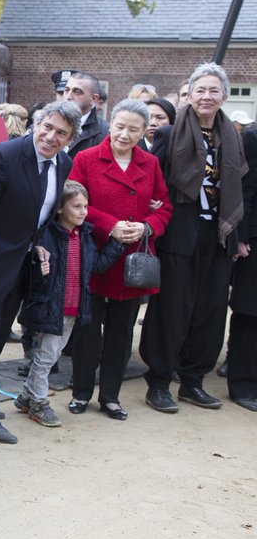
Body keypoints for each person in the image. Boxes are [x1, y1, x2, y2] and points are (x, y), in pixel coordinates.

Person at [0, 100, 80, 444]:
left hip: (20, 268)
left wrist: (39, 241)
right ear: (36, 124)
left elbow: (39, 214)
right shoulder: (3, 156)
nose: (51, 137)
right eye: (48, 127)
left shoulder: (63, 163)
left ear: (70, 138)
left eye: (62, 133)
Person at [141, 63, 249, 413]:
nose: (206, 96)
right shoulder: (171, 134)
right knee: (172, 309)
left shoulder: (232, 136)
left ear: (224, 96)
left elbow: (240, 188)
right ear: (190, 93)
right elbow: (152, 176)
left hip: (218, 235)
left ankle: (193, 382)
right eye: (200, 89)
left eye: (213, 90)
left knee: (210, 312)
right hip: (179, 232)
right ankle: (158, 382)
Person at [66, 99, 171, 420]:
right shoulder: (86, 158)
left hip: (132, 262)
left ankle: (110, 396)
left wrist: (147, 226)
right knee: (87, 331)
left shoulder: (150, 163)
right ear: (110, 125)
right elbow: (71, 199)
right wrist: (110, 225)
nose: (125, 135)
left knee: (121, 333)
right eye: (120, 127)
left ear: (144, 132)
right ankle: (81, 392)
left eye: (133, 129)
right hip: (96, 256)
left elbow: (165, 206)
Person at [17, 181, 125, 425]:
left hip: (74, 309)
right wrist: (38, 266)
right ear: (59, 208)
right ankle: (38, 403)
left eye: (85, 206)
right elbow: (33, 276)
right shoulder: (46, 236)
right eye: (76, 206)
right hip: (52, 309)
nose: (83, 212)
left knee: (50, 356)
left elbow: (95, 266)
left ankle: (26, 397)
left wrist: (117, 245)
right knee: (46, 358)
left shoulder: (85, 235)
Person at [225, 127, 257, 410]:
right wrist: (242, 237)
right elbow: (245, 190)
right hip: (254, 241)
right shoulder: (253, 137)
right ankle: (243, 385)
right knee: (249, 312)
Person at [63, 71, 110, 158]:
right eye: (66, 90)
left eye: (77, 92)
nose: (68, 97)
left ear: (93, 98)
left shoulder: (105, 134)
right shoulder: (47, 122)